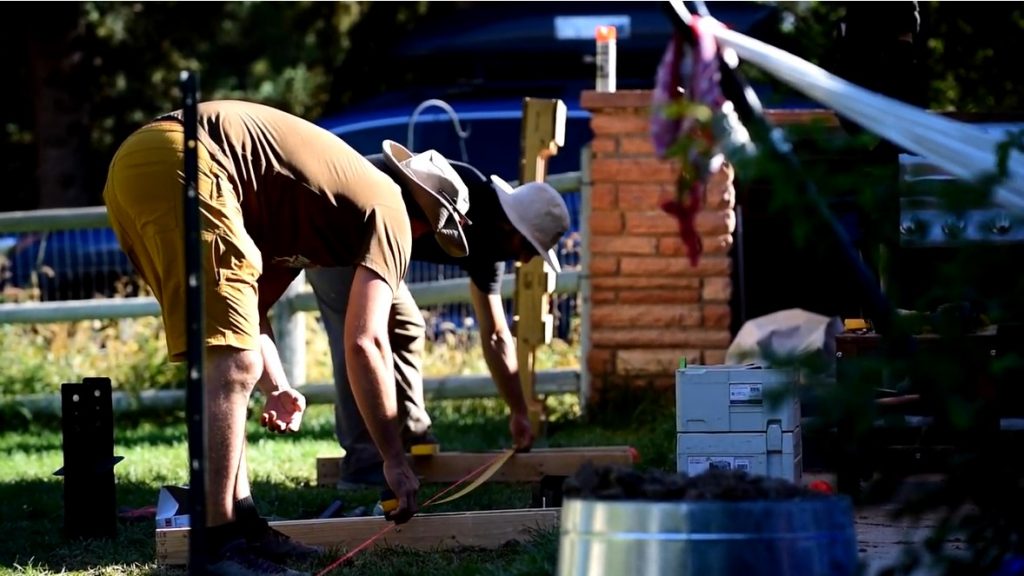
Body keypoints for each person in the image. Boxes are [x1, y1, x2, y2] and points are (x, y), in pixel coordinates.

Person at [102, 102, 431, 575]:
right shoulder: (393, 208)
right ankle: (217, 546)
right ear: (423, 217)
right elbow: (366, 342)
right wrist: (395, 460)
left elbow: (248, 316)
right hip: (187, 161)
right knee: (232, 363)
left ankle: (244, 526)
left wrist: (277, 385)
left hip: (143, 166)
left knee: (231, 355)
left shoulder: (318, 206)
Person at [307, 140, 571, 488]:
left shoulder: (490, 245)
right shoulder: (467, 194)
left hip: (379, 244)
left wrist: (519, 411)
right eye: (529, 250)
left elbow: (495, 335)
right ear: (513, 229)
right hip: (337, 223)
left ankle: (410, 433)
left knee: (407, 326)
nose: (526, 261)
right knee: (358, 338)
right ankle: (362, 461)